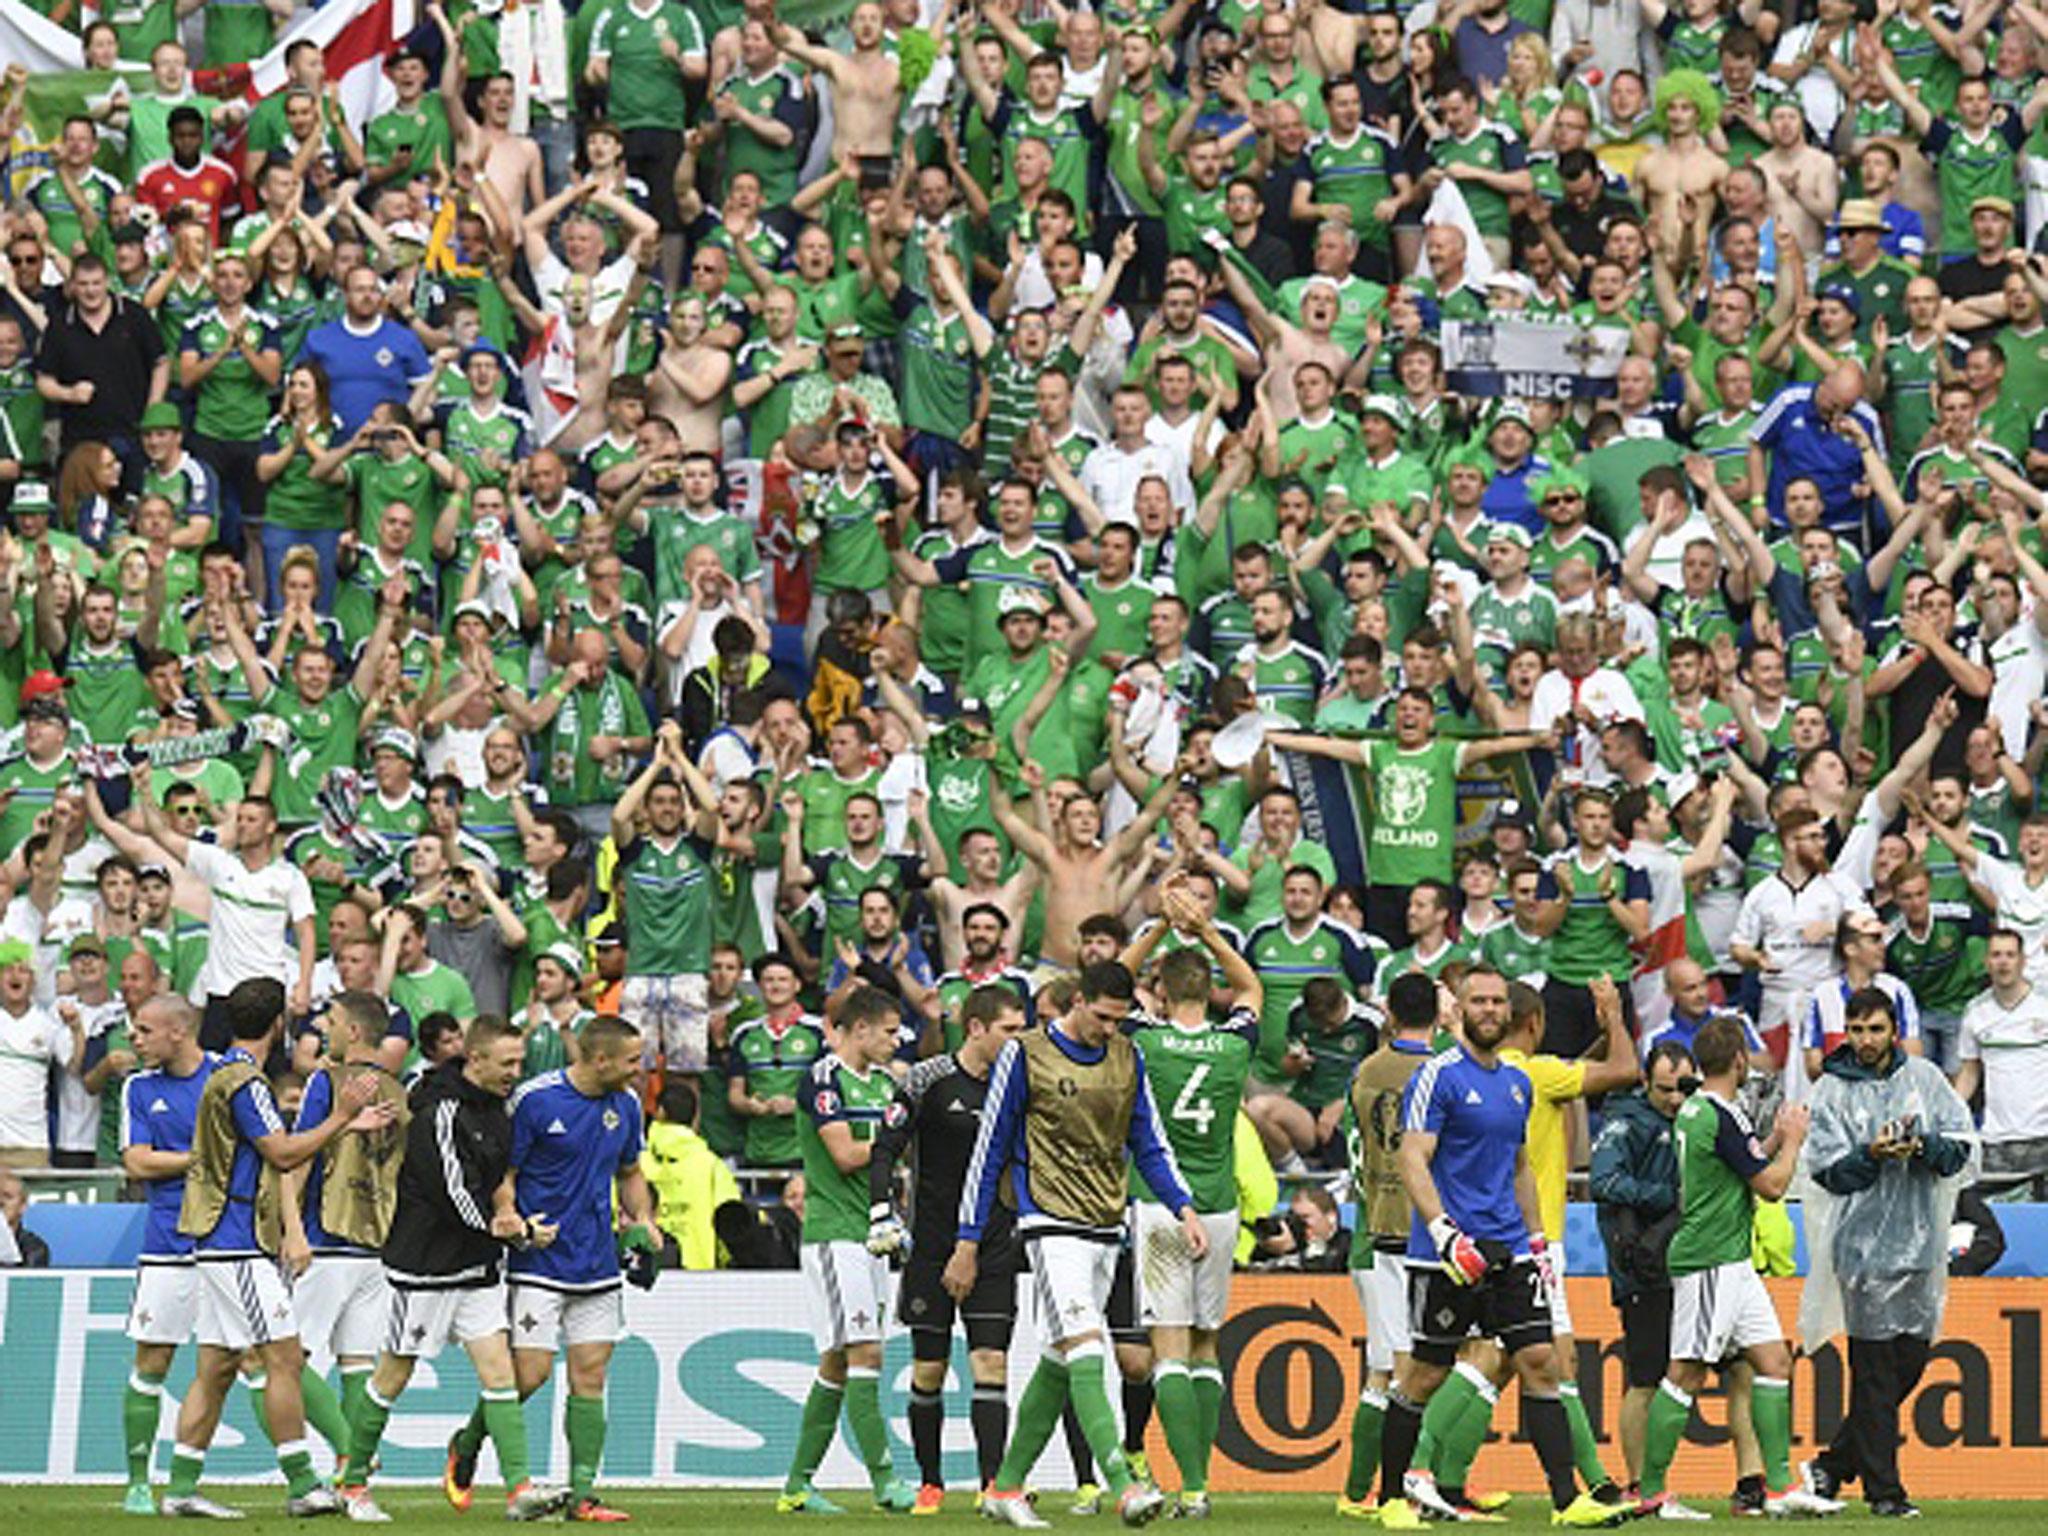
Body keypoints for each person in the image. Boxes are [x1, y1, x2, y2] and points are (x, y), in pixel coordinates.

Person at [952, 961, 1202, 1530]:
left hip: (1105, 1225)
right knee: (1090, 1345)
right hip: (1049, 1222)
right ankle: (1121, 1483)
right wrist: (967, 1239)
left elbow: (1150, 1142)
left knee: (1059, 1361)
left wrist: (1183, 1207)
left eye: (1120, 1020)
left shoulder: (1127, 1056)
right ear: (1078, 1001)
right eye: (1104, 1017)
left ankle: (1006, 1487)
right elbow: (988, 1150)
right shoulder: (1025, 1054)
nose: (1111, 1029)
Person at [1372, 965, 1619, 1532]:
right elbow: (1412, 1157)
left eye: (1496, 1002)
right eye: (1477, 1001)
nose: (1488, 1010)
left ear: (1509, 1013)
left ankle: (1566, 1502)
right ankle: (1391, 1498)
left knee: (1541, 1363)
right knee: (1424, 1375)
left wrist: (1535, 1242)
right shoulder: (1439, 1076)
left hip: (1510, 1249)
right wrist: (1443, 1234)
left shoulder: (1518, 1084)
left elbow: (1519, 1168)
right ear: (1456, 1010)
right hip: (1449, 1254)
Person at [156, 976, 395, 1518]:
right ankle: (304, 1483)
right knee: (284, 1357)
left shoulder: (223, 1073)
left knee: (216, 1369)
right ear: (278, 1025)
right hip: (237, 1241)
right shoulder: (247, 1083)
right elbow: (282, 1153)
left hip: (219, 1241)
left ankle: (181, 1487)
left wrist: (341, 1125)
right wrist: (339, 1118)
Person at [336, 1013, 573, 1523]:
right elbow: (455, 1194)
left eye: (519, 1061)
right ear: (475, 1058)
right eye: (507, 1062)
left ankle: (519, 1489)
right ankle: (353, 1483)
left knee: (499, 1374)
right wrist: (510, 1230)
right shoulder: (440, 1113)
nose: (516, 1070)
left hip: (476, 1268)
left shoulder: (498, 1110)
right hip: (424, 1268)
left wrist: (506, 1211)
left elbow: (494, 1180)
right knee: (391, 1378)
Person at [440, 1014, 657, 1524]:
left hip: (597, 1261)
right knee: (531, 1375)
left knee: (591, 1376)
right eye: (630, 1060)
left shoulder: (625, 1105)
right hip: (538, 1258)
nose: (638, 1069)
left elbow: (630, 1172)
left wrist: (643, 1218)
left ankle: (582, 1495)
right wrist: (510, 1214)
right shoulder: (535, 1100)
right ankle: (467, 1444)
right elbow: (504, 1173)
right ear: (599, 1059)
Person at [1631, 1015, 1842, 1519]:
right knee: (1685, 1372)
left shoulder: (1705, 1108)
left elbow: (1744, 1163)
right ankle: (1652, 1494)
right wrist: (1792, 1139)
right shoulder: (1720, 1114)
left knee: (1773, 1363)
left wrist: (1769, 1142)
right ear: (1741, 1060)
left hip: (1732, 1261)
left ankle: (1777, 1488)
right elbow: (1770, 1186)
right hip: (1709, 1260)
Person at [1797, 987, 1977, 1518]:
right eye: (1856, 1030)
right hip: (1861, 1252)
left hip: (1919, 1247)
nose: (1866, 1040)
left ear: (1894, 1029)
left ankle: (1833, 1465)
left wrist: (1921, 1145)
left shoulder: (1924, 1079)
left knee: (1909, 1367)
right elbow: (1827, 1170)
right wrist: (1871, 1155)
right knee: (1874, 1374)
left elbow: (1961, 1147)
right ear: (1845, 1033)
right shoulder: (1830, 1089)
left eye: (1875, 1029)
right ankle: (1885, 1494)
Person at [1116, 876, 1263, 1516]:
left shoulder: (1144, 1039)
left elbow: (1114, 985)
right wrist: (1205, 929)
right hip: (1221, 1204)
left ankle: (1191, 1484)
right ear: (1211, 990)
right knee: (1207, 1344)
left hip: (1160, 1200)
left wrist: (1157, 923)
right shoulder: (1235, 1043)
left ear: (1163, 991)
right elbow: (1253, 989)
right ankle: (1202, 1486)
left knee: (1167, 1347)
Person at [865, 984, 1031, 1512]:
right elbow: (885, 1147)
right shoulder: (926, 1079)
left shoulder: (1021, 1085)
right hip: (932, 1246)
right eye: (1009, 1029)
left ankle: (991, 1487)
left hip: (995, 1244)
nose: (1018, 1039)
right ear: (977, 1028)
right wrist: (880, 1210)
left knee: (991, 1363)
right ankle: (931, 1482)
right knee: (929, 1369)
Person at [775, 985, 919, 1515]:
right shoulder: (821, 1080)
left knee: (837, 1362)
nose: (894, 1041)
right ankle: (884, 1479)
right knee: (866, 1353)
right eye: (887, 1031)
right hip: (836, 1235)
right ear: (859, 1029)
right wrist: (897, 1141)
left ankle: (797, 1484)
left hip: (873, 1235)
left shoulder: (884, 1083)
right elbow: (842, 1154)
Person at [282, 988, 411, 1487]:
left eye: (330, 1021)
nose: (323, 1030)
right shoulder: (399, 1091)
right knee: (357, 1362)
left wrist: (291, 1229)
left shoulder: (327, 1082)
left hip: (326, 1239)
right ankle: (356, 1484)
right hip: (376, 1246)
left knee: (288, 1360)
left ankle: (349, 1456)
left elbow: (298, 1155)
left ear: (353, 1031)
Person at [1337, 971, 1438, 1518]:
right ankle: (1407, 1483)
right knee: (1411, 1364)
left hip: (1372, 1224)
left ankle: (1357, 1493)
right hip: (1420, 1231)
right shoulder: (1440, 1073)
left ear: (1391, 1015)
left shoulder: (1364, 1073)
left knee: (1384, 1369)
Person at [117, 995, 218, 1514]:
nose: (134, 1038)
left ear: (177, 1031)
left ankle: (313, 1474)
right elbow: (136, 1161)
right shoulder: (139, 1087)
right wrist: (199, 1161)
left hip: (229, 1243)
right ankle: (138, 1480)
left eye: (143, 1029)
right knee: (152, 1361)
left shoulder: (226, 1077)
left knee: (254, 1360)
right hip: (168, 1243)